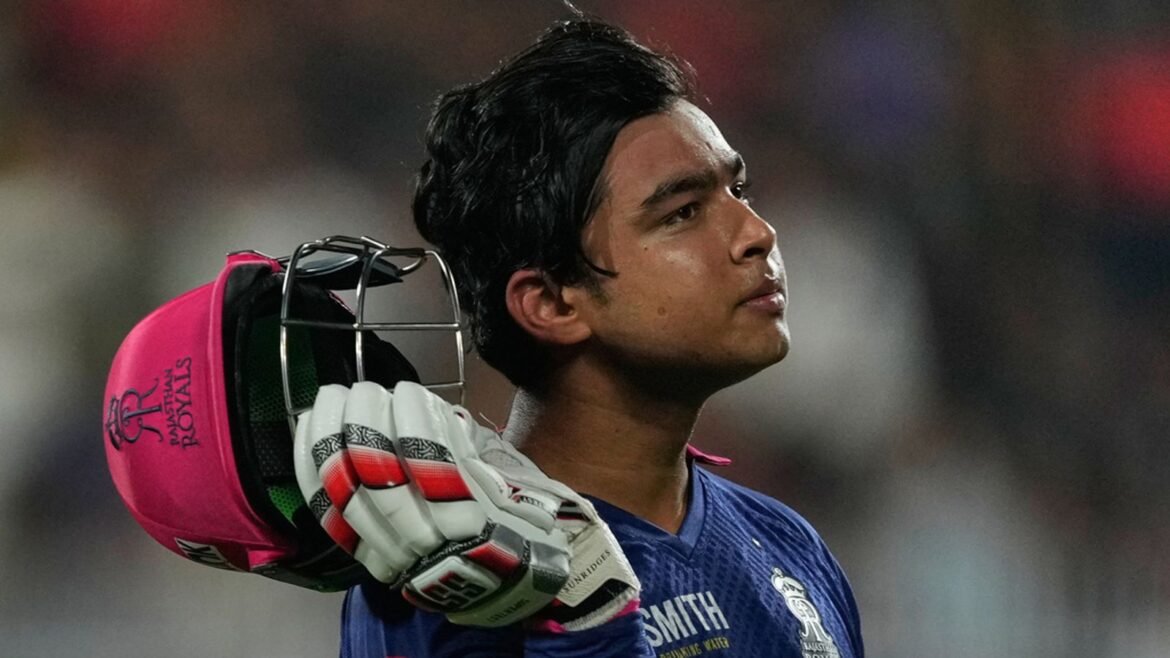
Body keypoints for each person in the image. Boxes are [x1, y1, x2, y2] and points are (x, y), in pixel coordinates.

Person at [324, 18, 863, 657]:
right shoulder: (449, 584)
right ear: (551, 302)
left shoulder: (787, 543)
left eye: (737, 190)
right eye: (682, 213)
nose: (756, 232)